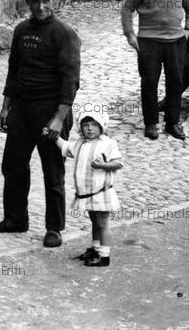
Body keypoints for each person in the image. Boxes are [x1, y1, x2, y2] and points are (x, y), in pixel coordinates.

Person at [0, 0, 81, 248]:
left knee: (53, 171)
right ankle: (15, 219)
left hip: (50, 110)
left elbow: (70, 80)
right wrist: (6, 107)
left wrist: (59, 118)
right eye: (34, 2)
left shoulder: (65, 33)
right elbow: (13, 70)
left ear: (54, 2)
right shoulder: (21, 30)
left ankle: (54, 228)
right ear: (27, 4)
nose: (40, 6)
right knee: (13, 166)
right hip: (22, 109)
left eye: (45, 1)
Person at [121, 0, 189, 140]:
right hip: (148, 41)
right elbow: (127, 8)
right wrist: (129, 34)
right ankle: (151, 123)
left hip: (176, 41)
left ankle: (173, 123)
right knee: (149, 82)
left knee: (176, 82)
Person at [54, 110, 122, 267]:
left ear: (102, 126)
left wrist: (104, 165)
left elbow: (118, 163)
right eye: (86, 125)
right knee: (94, 221)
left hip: (101, 192)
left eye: (94, 125)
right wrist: (54, 136)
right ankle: (95, 248)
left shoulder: (107, 144)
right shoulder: (80, 143)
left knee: (102, 223)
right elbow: (65, 147)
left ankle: (104, 255)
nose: (90, 129)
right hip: (87, 193)